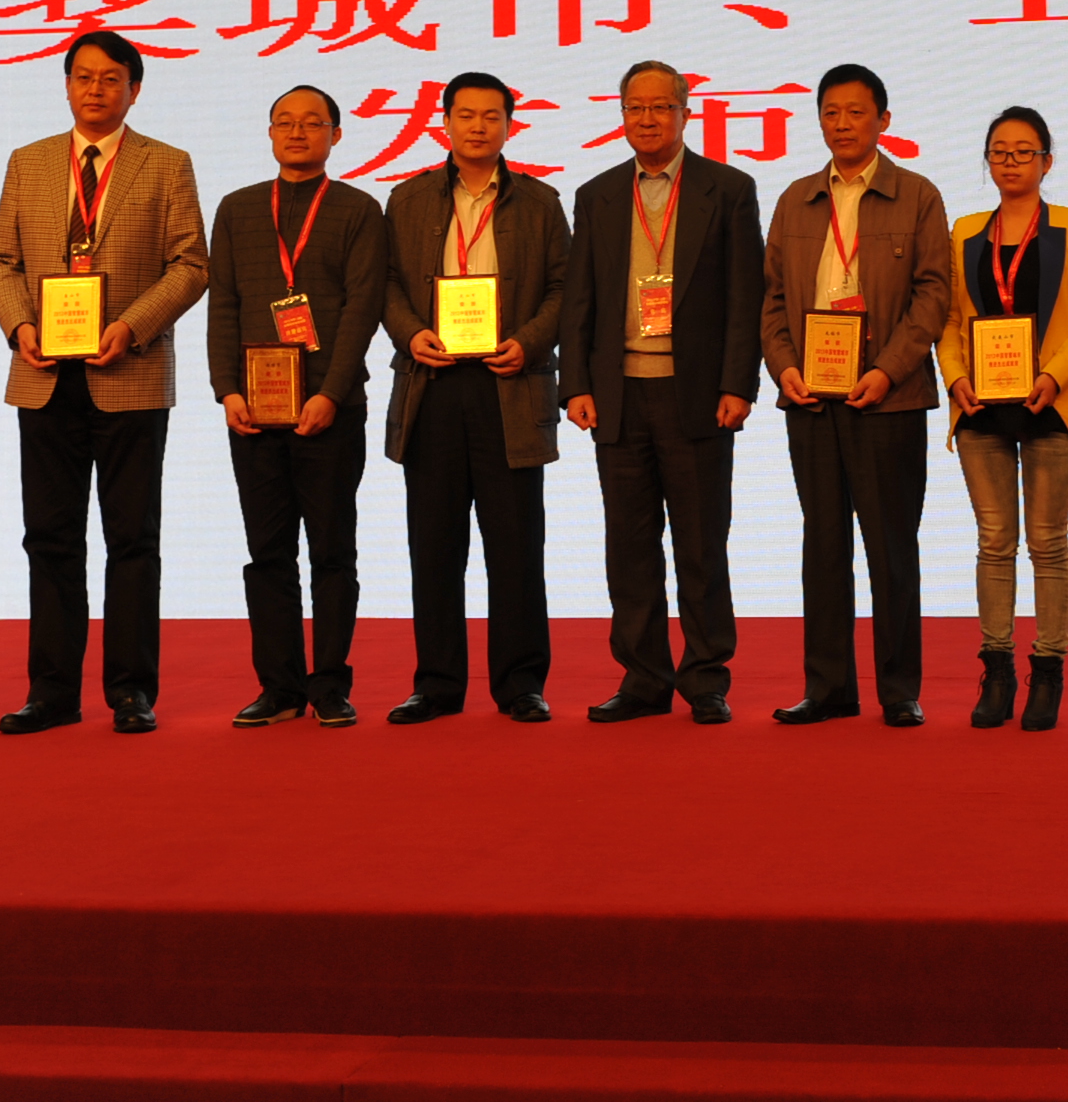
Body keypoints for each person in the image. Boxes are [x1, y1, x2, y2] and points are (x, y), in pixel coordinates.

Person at [0, 29, 208, 736]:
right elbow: (1, 261)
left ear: (134, 90)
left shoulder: (166, 164)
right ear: (67, 85)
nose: (95, 89)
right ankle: (51, 692)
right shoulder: (28, 161)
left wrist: (132, 327)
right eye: (83, 76)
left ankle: (131, 690)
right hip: (44, 376)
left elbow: (190, 264)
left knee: (132, 539)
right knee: (49, 539)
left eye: (111, 78)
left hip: (129, 373)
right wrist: (20, 326)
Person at [561, 61, 766, 725]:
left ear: (685, 113)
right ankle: (644, 679)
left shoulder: (728, 189)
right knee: (629, 548)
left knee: (701, 546)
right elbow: (580, 298)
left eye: (660, 107)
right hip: (618, 397)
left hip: (697, 395)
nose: (646, 119)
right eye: (634, 108)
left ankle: (705, 678)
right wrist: (576, 385)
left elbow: (745, 296)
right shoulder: (596, 194)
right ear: (621, 115)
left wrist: (738, 383)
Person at [759, 64, 953, 726]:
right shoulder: (796, 199)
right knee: (823, 546)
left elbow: (933, 294)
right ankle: (829, 687)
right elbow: (773, 299)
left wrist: (889, 370)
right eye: (831, 113)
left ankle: (898, 690)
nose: (842, 124)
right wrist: (784, 368)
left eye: (856, 112)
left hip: (887, 399)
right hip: (811, 398)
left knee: (891, 546)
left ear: (883, 120)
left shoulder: (917, 195)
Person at [381, 71, 568, 723]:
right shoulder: (407, 199)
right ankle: (436, 684)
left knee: (516, 545)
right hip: (431, 387)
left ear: (510, 125)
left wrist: (529, 342)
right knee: (433, 546)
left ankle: (520, 685)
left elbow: (565, 288)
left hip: (508, 387)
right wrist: (412, 333)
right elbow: (387, 285)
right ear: (445, 122)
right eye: (466, 115)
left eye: (492, 116)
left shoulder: (540, 202)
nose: (479, 126)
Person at [208, 85, 389, 729]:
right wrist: (226, 388)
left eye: (312, 123)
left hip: (330, 410)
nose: (297, 132)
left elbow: (363, 308)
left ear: (335, 135)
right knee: (268, 553)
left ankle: (330, 685)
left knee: (333, 552)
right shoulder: (237, 209)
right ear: (269, 133)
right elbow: (223, 303)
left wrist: (330, 393)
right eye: (284, 121)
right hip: (254, 411)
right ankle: (279, 687)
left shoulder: (359, 209)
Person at [935, 107, 1068, 731]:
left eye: (1024, 151)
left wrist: (1054, 374)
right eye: (1000, 151)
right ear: (987, 161)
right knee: (993, 541)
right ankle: (997, 669)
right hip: (982, 406)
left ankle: (1049, 669)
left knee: (1047, 542)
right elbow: (949, 321)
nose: (1010, 162)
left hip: (1052, 403)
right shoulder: (964, 232)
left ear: (1047, 161)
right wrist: (955, 377)